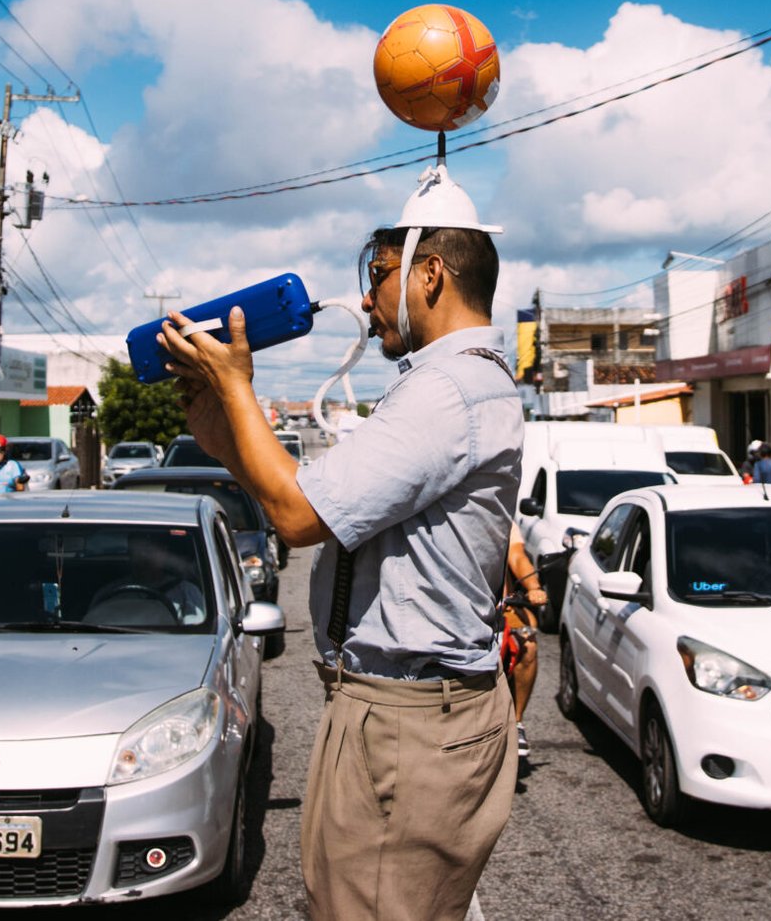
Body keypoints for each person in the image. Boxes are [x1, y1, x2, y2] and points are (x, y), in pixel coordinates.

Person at [157, 164, 521, 921]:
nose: (365, 297)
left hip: (405, 724)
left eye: (378, 272)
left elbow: (292, 517)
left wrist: (237, 385)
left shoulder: (444, 391)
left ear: (430, 274)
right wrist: (226, 437)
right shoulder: (461, 381)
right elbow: (309, 499)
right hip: (407, 713)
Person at [504, 526, 549, 759]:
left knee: (527, 644)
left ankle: (517, 721)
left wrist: (534, 588)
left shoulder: (499, 514)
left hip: (499, 606)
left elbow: (516, 555)